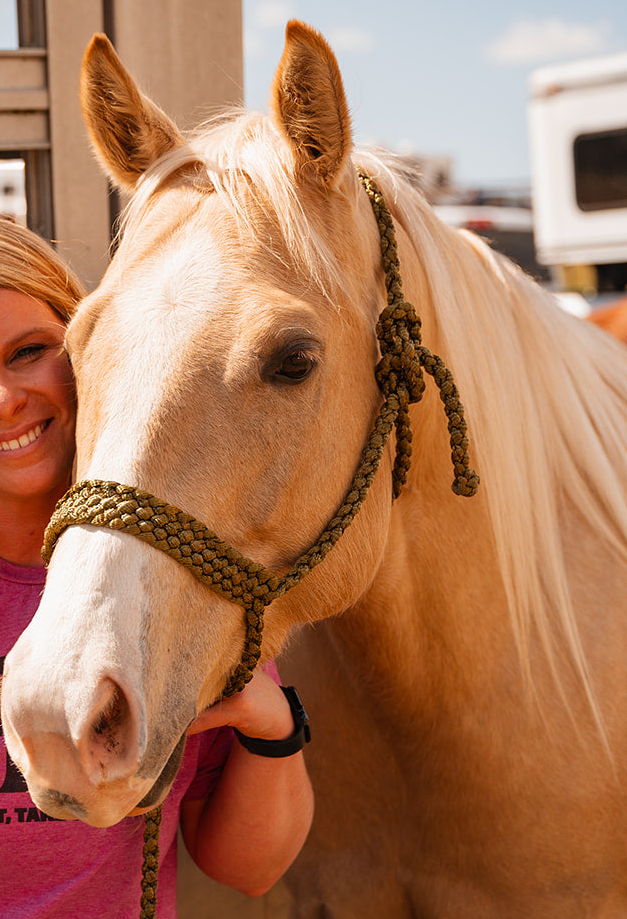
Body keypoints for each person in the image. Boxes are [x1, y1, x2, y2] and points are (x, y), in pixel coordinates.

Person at [0, 218, 314, 917]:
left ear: (87, 349)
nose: (5, 400)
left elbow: (246, 867)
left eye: (26, 352)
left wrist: (273, 727)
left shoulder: (172, 566)